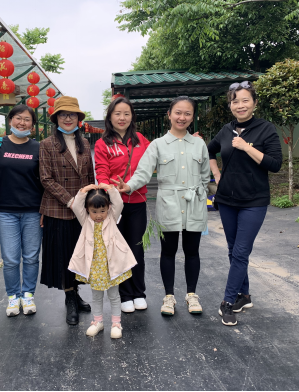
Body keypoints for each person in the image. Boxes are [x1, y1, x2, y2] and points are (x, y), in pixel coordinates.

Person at [114, 96, 210, 316]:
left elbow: (205, 176)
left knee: (192, 251)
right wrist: (128, 186)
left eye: (187, 113)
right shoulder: (158, 145)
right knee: (168, 251)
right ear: (169, 114)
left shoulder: (199, 144)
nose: (182, 117)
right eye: (178, 112)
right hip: (169, 204)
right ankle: (169, 296)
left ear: (192, 117)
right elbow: (143, 172)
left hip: (194, 204)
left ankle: (192, 295)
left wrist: (201, 194)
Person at [207, 81, 282, 327]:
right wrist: (217, 174)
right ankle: (245, 296)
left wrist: (247, 147)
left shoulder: (265, 129)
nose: (240, 105)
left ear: (254, 103)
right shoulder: (226, 130)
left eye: (245, 100)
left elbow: (275, 164)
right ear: (230, 105)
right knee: (233, 250)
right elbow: (209, 151)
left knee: (240, 252)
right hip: (227, 199)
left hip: (254, 201)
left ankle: (228, 302)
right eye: (235, 101)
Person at [39, 96, 95, 326]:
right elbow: (46, 178)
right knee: (64, 255)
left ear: (78, 118)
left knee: (80, 254)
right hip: (59, 209)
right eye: (63, 114)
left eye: (72, 114)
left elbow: (90, 177)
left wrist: (91, 203)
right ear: (56, 119)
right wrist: (70, 201)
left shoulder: (85, 144)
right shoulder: (47, 144)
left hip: (82, 210)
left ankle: (76, 293)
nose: (68, 118)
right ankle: (69, 298)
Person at [94, 97, 151, 314]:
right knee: (118, 249)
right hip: (115, 206)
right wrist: (110, 189)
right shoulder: (102, 144)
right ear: (110, 117)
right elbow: (101, 171)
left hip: (137, 202)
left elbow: (154, 159)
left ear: (132, 117)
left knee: (136, 247)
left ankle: (139, 293)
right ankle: (125, 295)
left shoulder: (141, 140)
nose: (122, 118)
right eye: (117, 113)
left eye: (127, 114)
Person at [0, 105, 43, 318]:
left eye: (27, 119)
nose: (22, 123)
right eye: (18, 118)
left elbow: (44, 180)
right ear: (10, 120)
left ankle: (28, 294)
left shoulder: (38, 148)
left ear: (33, 124)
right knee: (11, 258)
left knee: (31, 256)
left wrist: (44, 210)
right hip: (5, 210)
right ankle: (13, 296)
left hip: (33, 210)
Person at [68, 184, 137, 339]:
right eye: (94, 211)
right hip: (95, 267)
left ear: (108, 208)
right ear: (87, 210)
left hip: (111, 267)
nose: (98, 215)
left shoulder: (111, 218)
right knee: (96, 296)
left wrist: (110, 188)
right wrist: (83, 191)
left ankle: (116, 323)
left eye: (102, 211)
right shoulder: (85, 221)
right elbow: (76, 206)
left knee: (114, 295)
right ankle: (97, 321)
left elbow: (119, 203)